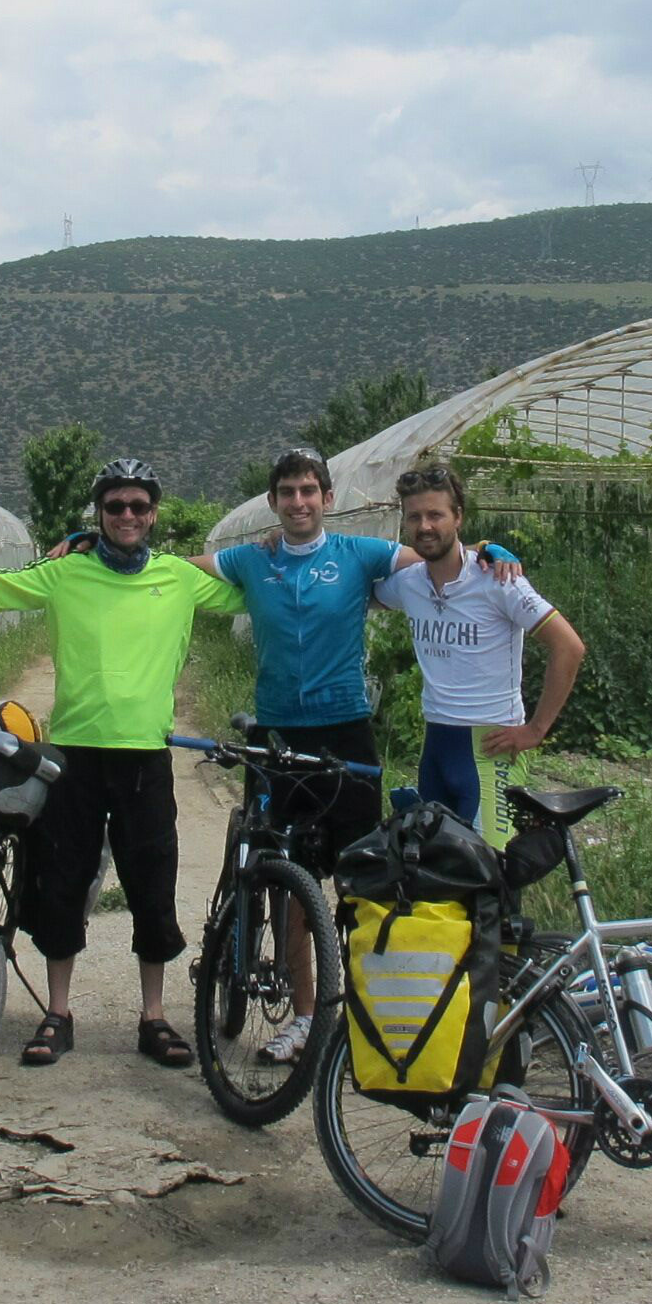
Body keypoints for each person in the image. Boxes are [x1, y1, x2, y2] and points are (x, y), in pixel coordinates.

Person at [183, 447, 517, 1063]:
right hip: (280, 735)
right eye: (288, 492)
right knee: (289, 885)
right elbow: (182, 571)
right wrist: (98, 553)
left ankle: (369, 1009)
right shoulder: (251, 561)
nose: (300, 501)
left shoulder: (360, 554)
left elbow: (441, 557)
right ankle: (306, 1018)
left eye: (310, 490)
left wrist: (491, 553)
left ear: (327, 498)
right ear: (275, 503)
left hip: (346, 735)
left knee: (366, 878)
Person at [0, 458, 244, 1070]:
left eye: (138, 506)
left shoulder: (179, 578)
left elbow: (261, 589)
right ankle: (59, 1012)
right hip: (74, 756)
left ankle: (153, 1017)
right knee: (63, 880)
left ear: (154, 513)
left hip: (145, 758)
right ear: (99, 515)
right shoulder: (64, 574)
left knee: (152, 885)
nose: (127, 516)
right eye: (115, 507)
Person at [373, 463, 585, 850]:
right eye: (415, 517)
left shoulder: (499, 580)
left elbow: (568, 647)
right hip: (436, 742)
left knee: (491, 873)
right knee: (438, 869)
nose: (425, 526)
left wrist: (536, 730)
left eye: (436, 515)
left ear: (458, 517)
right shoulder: (409, 583)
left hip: (490, 746)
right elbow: (358, 594)